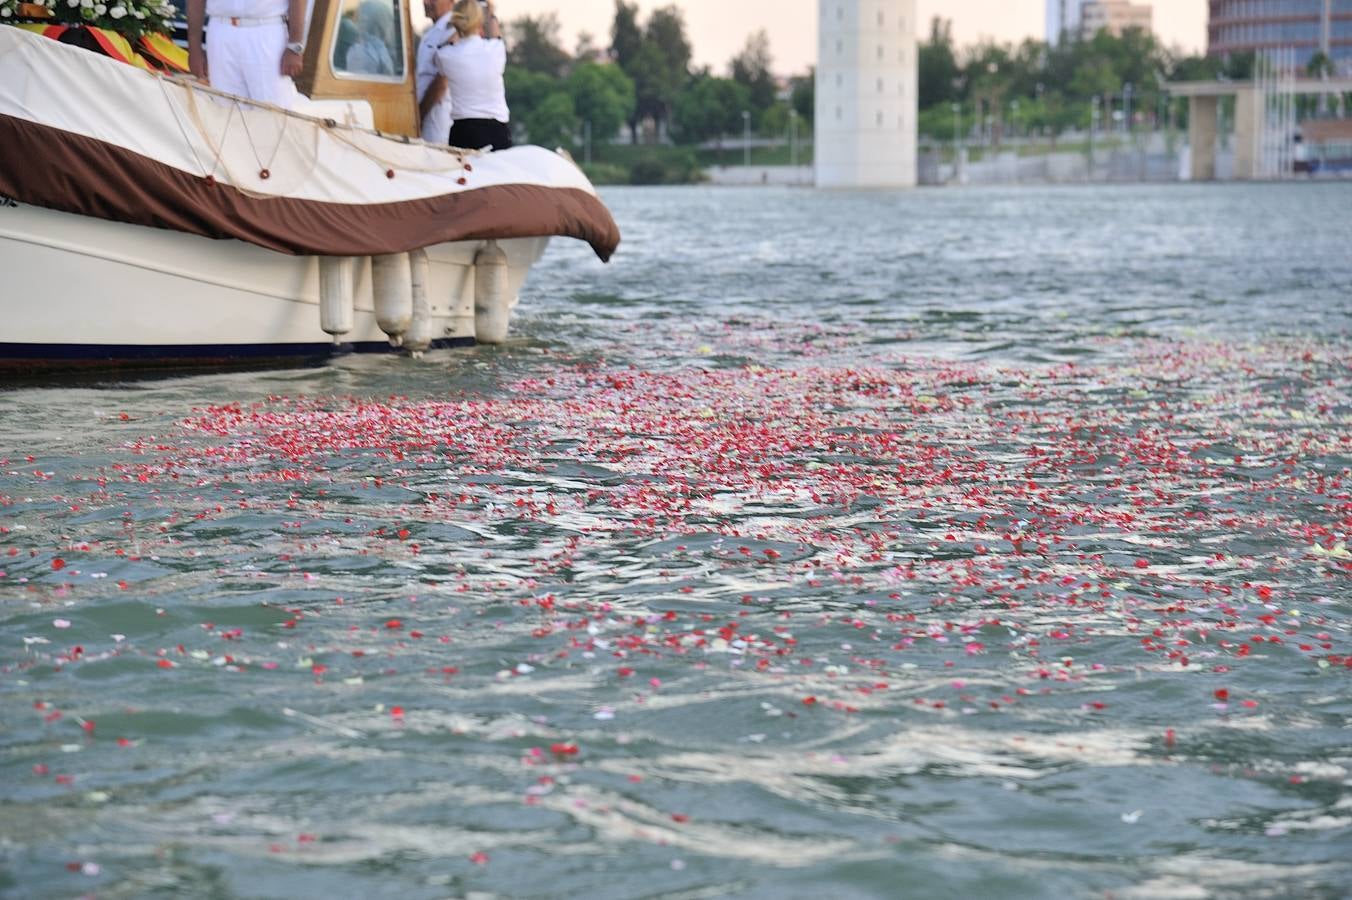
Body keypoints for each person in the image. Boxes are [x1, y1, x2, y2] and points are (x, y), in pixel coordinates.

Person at [187, 0, 306, 109]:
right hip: (220, 30)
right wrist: (194, 47)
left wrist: (295, 46)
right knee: (225, 108)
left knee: (273, 108)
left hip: (266, 30)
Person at [434, 0, 512, 151]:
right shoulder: (494, 50)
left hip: (463, 132)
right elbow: (497, 36)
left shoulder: (445, 55)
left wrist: (458, 30)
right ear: (480, 21)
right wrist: (491, 13)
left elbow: (441, 50)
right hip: (496, 132)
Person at [415, 0, 456, 143]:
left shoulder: (453, 30)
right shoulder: (430, 33)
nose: (426, 2)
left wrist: (418, 116)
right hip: (428, 124)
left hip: (439, 124)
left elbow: (441, 83)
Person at [345, 0, 397, 76]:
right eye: (389, 23)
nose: (391, 29)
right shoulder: (362, 52)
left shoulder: (380, 48)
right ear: (381, 25)